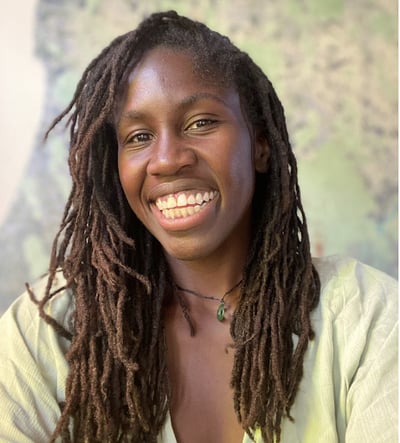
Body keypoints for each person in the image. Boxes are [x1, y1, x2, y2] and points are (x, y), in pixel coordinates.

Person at [0, 10, 397, 443]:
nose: (168, 158)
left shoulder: (369, 316)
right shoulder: (48, 331)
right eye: (138, 136)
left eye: (201, 123)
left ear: (261, 145)